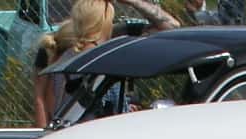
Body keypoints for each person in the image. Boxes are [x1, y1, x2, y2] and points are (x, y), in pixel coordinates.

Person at [32, 0, 175, 127]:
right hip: (99, 135)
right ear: (105, 23)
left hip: (71, 133)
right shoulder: (106, 55)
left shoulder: (66, 55)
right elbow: (172, 26)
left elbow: (50, 105)